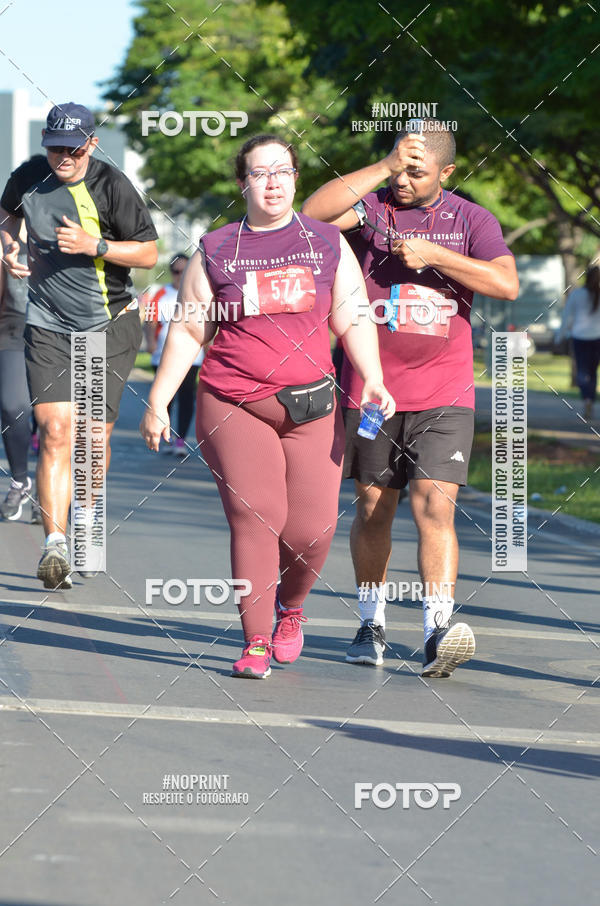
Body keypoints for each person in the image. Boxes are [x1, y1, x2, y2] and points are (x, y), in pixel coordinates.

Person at [140, 133, 395, 679]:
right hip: (233, 400)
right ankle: (255, 639)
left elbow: (352, 316)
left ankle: (291, 608)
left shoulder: (327, 241)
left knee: (312, 529)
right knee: (257, 517)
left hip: (312, 405)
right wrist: (159, 400)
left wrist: (372, 376)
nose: (273, 181)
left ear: (296, 178)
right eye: (260, 172)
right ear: (243, 183)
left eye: (282, 171)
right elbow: (188, 329)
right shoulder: (217, 247)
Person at [303, 119, 519, 677]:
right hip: (371, 389)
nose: (403, 179)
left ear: (447, 173)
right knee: (375, 509)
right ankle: (370, 621)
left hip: (445, 391)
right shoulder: (371, 208)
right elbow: (312, 216)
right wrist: (382, 167)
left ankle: (437, 628)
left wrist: (437, 256)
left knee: (434, 506)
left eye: (416, 171)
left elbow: (504, 283)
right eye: (398, 165)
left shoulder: (471, 218)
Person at [0, 102, 158, 589]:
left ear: (90, 143)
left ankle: (87, 518)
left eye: (71, 148)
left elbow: (149, 252)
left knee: (91, 439)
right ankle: (55, 543)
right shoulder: (29, 175)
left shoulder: (113, 186)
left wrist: (98, 246)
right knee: (53, 429)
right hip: (48, 324)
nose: (61, 156)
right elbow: (6, 216)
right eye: (53, 147)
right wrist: (8, 246)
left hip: (106, 326)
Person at [145, 253, 204, 456]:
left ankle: (180, 441)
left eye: (184, 271)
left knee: (187, 397)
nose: (180, 275)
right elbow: (150, 321)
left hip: (192, 357)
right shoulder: (162, 294)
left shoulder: (199, 293)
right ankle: (164, 435)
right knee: (166, 398)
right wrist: (151, 342)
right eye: (176, 271)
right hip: (162, 356)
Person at [0, 221, 39, 522]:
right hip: (11, 330)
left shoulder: (64, 231)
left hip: (58, 332)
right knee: (14, 407)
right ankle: (20, 480)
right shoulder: (4, 242)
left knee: (53, 418)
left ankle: (51, 489)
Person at [556, 265, 600, 421]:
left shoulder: (577, 294)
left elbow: (567, 317)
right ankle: (590, 400)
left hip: (580, 338)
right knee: (593, 371)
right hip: (597, 338)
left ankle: (587, 399)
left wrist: (559, 338)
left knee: (582, 371)